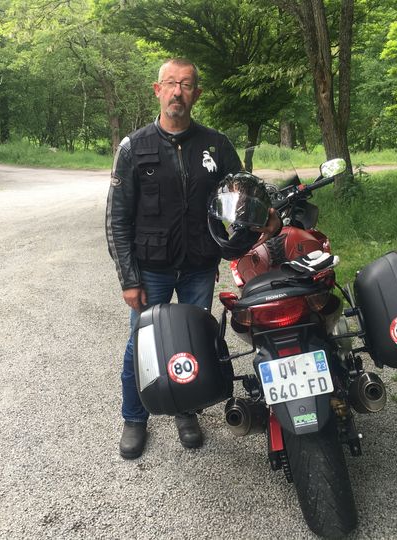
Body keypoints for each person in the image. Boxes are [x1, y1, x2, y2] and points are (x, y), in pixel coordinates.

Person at [105, 58, 281, 459]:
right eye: (170, 83)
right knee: (141, 344)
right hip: (150, 269)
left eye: (186, 85)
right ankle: (134, 419)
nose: (177, 92)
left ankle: (186, 412)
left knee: (191, 343)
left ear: (196, 94)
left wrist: (266, 215)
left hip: (199, 267)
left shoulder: (216, 145)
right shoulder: (134, 147)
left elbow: (245, 192)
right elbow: (116, 218)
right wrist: (128, 278)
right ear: (158, 90)